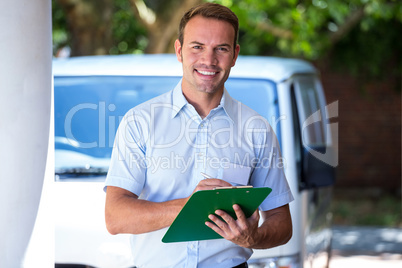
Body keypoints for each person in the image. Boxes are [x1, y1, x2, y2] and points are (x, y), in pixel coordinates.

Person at [105, 3, 293, 268]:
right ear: (179, 50)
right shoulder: (139, 122)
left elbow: (282, 223)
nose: (209, 60)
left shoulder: (257, 129)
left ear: (235, 55)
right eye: (197, 47)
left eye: (222, 49)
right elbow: (115, 217)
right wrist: (190, 206)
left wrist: (254, 236)